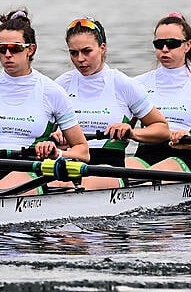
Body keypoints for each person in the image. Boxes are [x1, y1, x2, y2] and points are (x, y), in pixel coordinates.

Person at [0, 9, 89, 193]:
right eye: (2, 48)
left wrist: (58, 153)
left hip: (31, 169)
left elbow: (83, 151)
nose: (7, 54)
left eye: (14, 48)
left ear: (30, 49)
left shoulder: (51, 91)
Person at [53, 17, 170, 189]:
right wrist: (55, 135)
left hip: (110, 170)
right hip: (67, 166)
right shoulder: (60, 85)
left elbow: (162, 129)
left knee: (70, 187)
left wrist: (132, 133)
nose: (80, 59)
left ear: (102, 48)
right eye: (74, 53)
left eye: (87, 51)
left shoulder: (123, 84)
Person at [128, 12, 191, 173]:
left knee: (157, 173)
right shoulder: (138, 84)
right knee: (123, 168)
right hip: (143, 157)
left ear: (187, 45)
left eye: (172, 43)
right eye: (159, 44)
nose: (164, 49)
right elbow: (124, 126)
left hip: (183, 157)